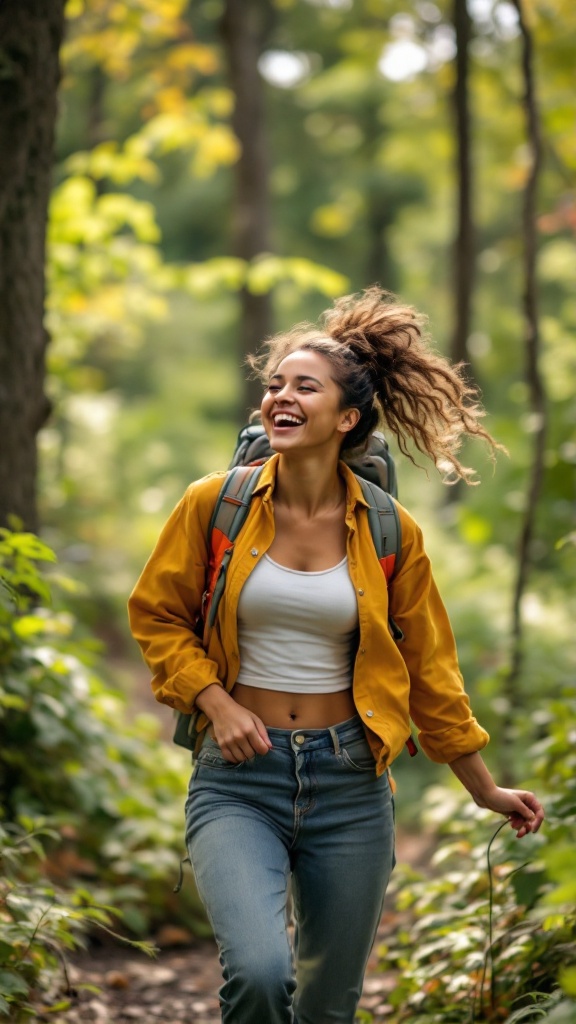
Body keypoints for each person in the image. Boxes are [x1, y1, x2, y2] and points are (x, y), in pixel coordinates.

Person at [128, 286, 544, 1024]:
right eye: (274, 384)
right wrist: (215, 702)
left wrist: (485, 789)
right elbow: (156, 615)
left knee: (328, 1004)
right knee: (258, 973)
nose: (279, 397)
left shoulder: (391, 532)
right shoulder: (213, 505)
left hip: (351, 783)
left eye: (303, 387)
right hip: (237, 782)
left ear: (346, 419)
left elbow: (431, 674)